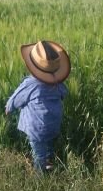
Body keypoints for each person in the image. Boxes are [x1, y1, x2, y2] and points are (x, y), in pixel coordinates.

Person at [5, 40, 70, 172]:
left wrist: (9, 107)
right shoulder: (58, 83)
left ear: (33, 65)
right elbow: (64, 93)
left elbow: (16, 98)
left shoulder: (31, 84)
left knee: (39, 155)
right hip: (53, 125)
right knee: (49, 147)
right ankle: (50, 165)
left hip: (36, 128)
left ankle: (41, 181)